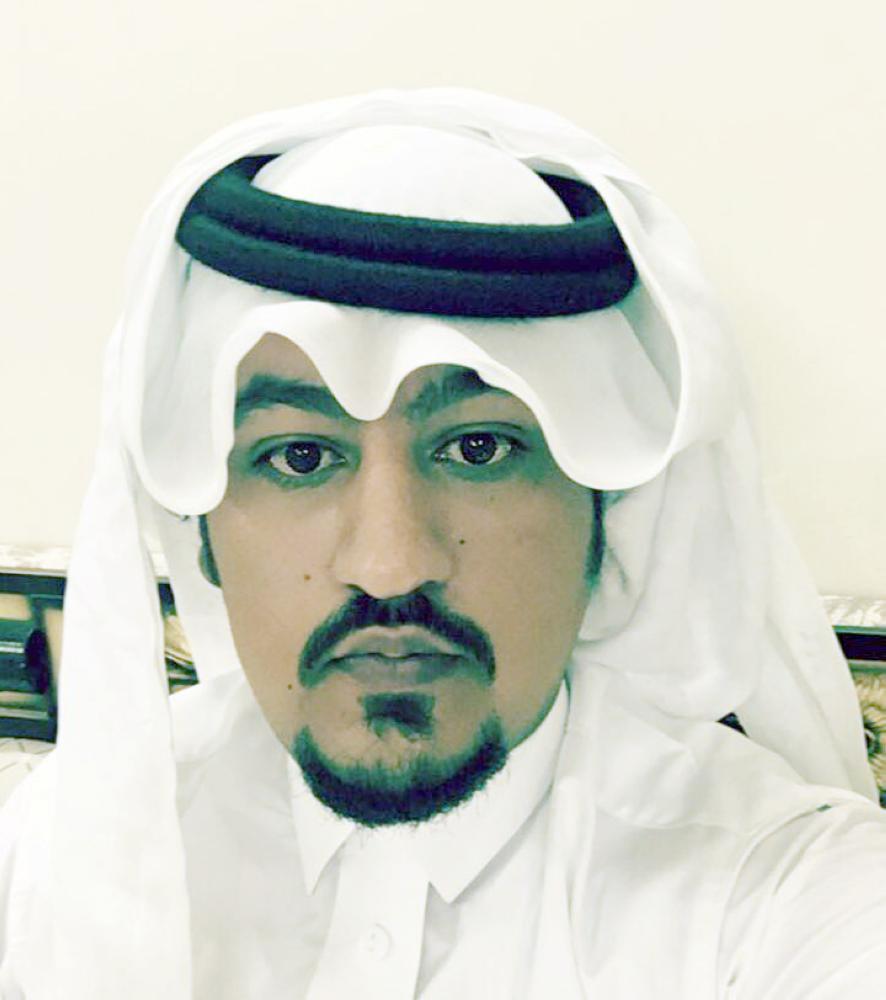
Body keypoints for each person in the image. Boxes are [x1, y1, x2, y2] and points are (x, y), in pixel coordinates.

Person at [2, 88, 885, 999]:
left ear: (606, 515)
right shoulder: (51, 858)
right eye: (300, 457)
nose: (390, 565)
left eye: (479, 449)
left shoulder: (784, 896)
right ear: (202, 534)